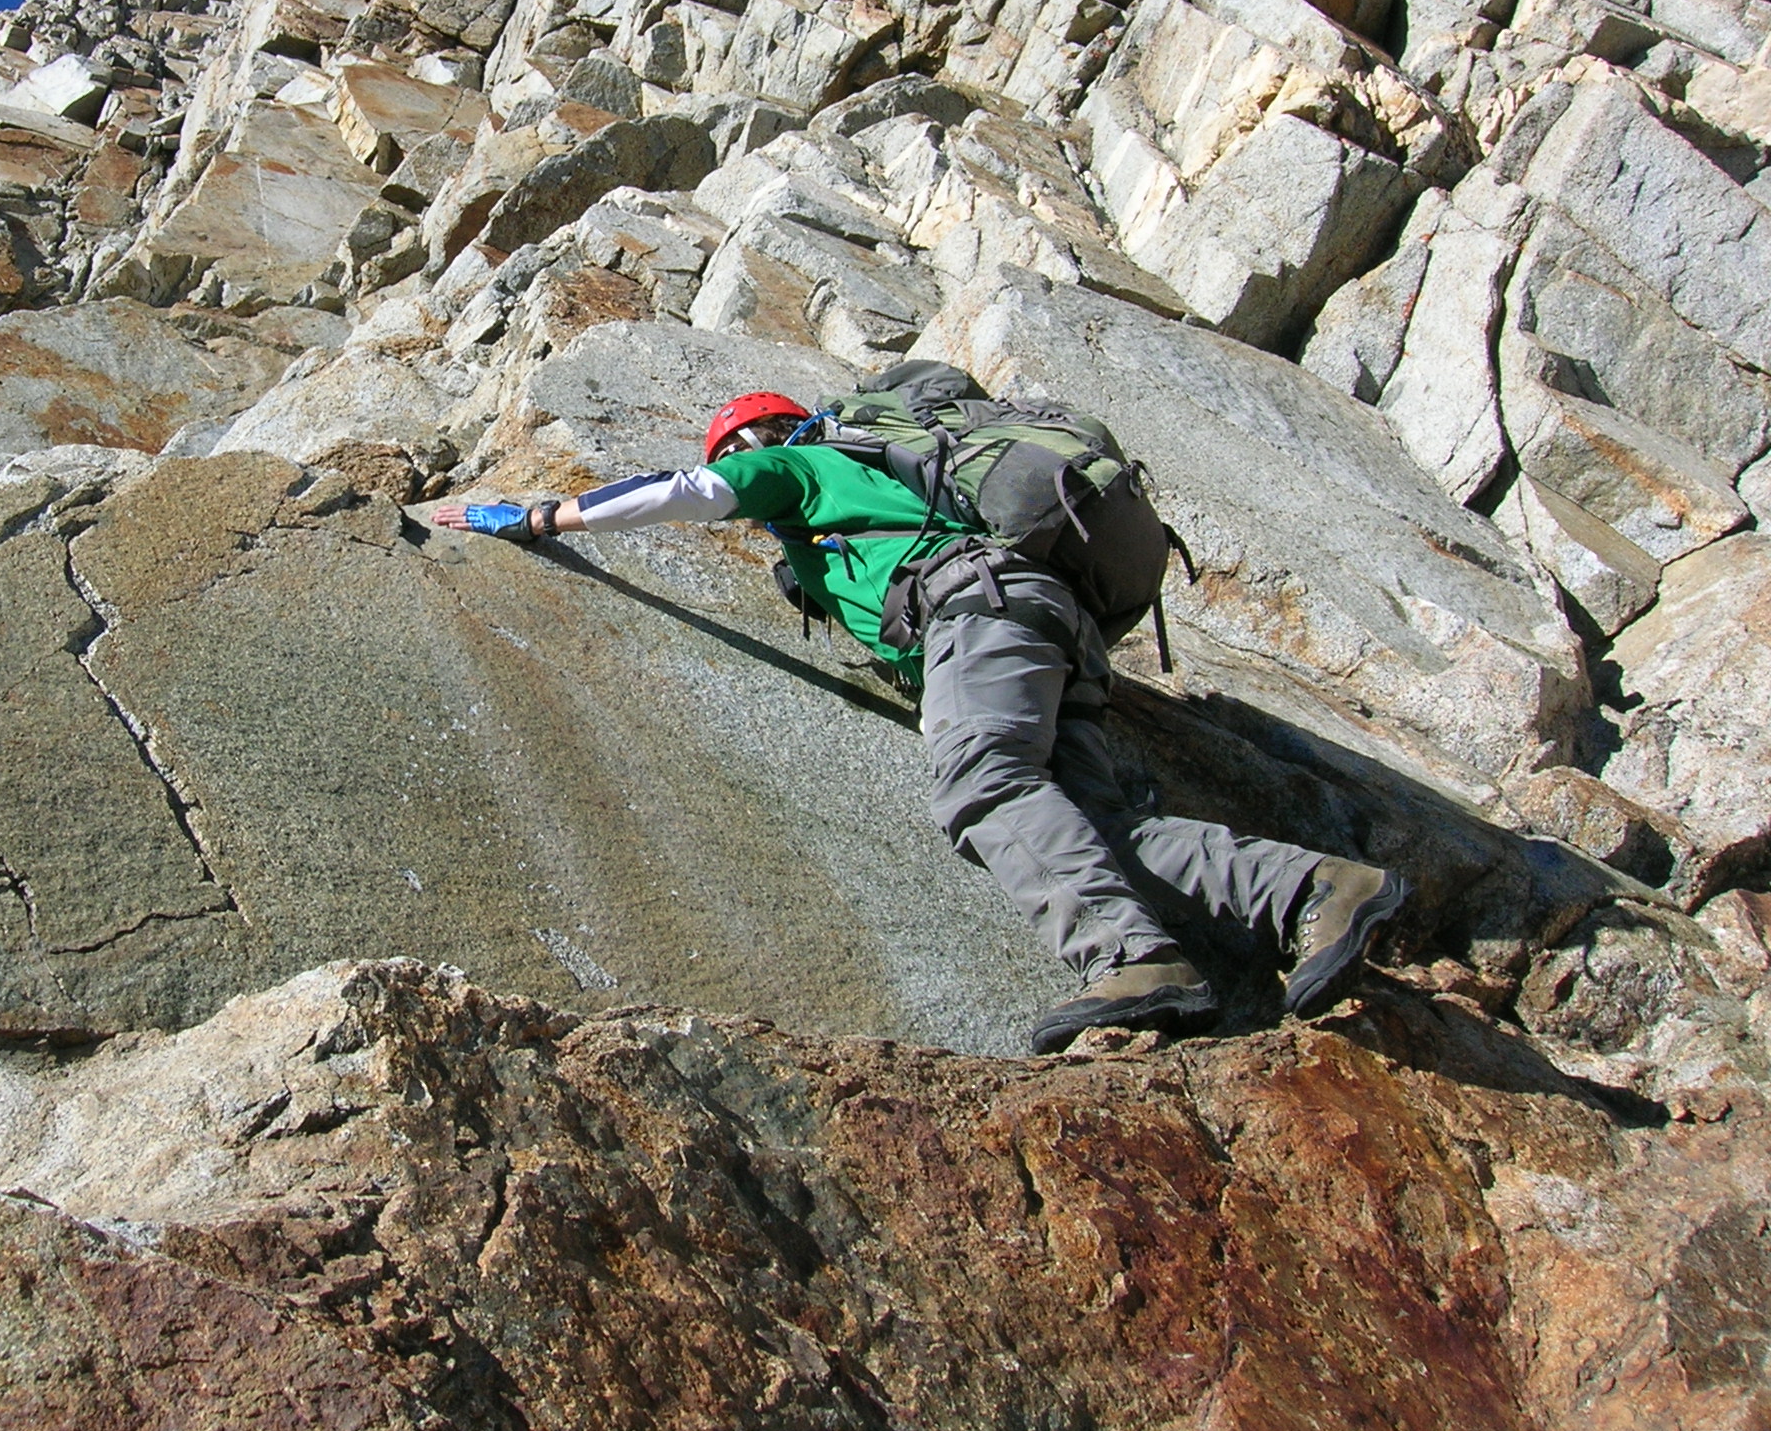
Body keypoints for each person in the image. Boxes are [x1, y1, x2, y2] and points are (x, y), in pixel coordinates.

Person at [435, 387, 1409, 1053]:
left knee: (984, 783)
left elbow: (690, 495)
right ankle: (1314, 888)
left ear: (777, 432)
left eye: (742, 442)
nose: (740, 462)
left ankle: (1131, 962)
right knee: (1101, 829)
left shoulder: (802, 466)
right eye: (738, 449)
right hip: (1043, 624)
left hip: (976, 615)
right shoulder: (867, 489)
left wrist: (538, 517)